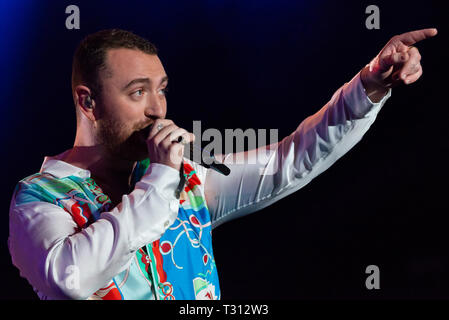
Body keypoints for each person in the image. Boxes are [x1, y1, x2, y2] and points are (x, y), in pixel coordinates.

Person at [8, 28, 437, 300]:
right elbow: (70, 280)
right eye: (137, 92)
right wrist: (160, 178)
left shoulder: (188, 179)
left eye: (162, 90)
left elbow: (290, 159)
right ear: (88, 101)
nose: (158, 110)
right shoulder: (39, 197)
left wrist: (369, 85)